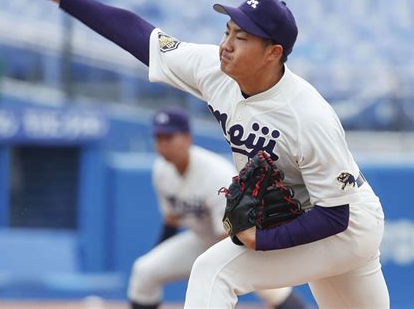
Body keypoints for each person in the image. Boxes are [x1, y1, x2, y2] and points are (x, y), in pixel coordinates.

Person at [8, 0, 390, 308]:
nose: (226, 45)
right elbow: (139, 34)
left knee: (214, 270)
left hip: (345, 226)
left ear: (273, 53)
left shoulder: (308, 115)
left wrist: (262, 240)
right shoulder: (214, 69)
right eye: (227, 31)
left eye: (241, 38)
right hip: (310, 218)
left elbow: (335, 215)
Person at [128, 107, 305, 309]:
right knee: (145, 270)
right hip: (201, 239)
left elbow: (228, 235)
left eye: (169, 137)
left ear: (187, 138)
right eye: (158, 138)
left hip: (238, 241)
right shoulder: (161, 170)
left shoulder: (215, 173)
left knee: (272, 292)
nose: (162, 144)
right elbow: (171, 219)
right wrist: (159, 257)